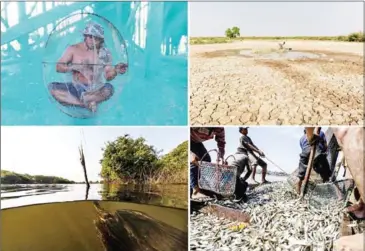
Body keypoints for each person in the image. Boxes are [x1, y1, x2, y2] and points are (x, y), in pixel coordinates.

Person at [49, 22, 128, 112]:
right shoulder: (73, 49)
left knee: (108, 89)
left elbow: (108, 75)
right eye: (90, 37)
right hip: (76, 87)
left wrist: (116, 70)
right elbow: (58, 67)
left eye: (96, 38)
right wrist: (73, 67)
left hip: (95, 89)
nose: (92, 40)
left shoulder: (104, 53)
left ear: (101, 40)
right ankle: (84, 103)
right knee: (52, 88)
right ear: (85, 36)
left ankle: (87, 99)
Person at [190, 127, 226, 199]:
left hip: (197, 142)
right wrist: (190, 153)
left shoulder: (220, 129)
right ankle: (195, 191)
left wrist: (221, 156)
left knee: (206, 159)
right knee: (194, 160)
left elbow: (221, 142)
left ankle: (204, 188)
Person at [296, 127, 332, 195]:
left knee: (300, 176)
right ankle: (326, 191)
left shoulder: (301, 138)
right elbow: (325, 146)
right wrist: (324, 152)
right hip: (317, 153)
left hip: (305, 154)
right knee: (326, 174)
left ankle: (298, 192)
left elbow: (303, 148)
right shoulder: (321, 133)